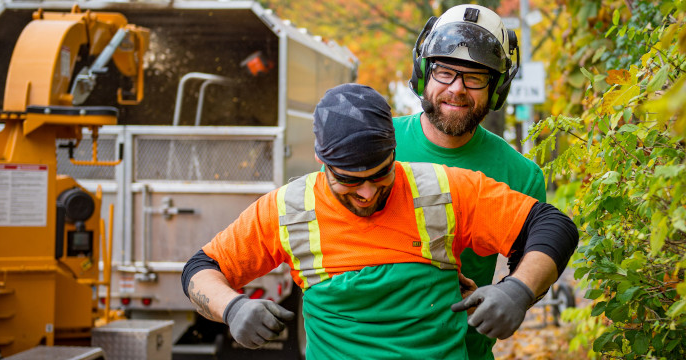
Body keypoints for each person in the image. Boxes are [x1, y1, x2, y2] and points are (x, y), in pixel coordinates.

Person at [181, 84, 578, 359]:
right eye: (349, 181)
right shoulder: (289, 209)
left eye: (380, 174)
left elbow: (552, 226)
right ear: (323, 164)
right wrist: (231, 309)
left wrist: (517, 291)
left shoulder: (443, 188)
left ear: (394, 150)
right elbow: (202, 269)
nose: (368, 193)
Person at [398, 4, 549, 358]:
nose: (457, 88)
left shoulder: (521, 174)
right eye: (445, 71)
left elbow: (536, 258)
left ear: (497, 88)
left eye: (475, 77)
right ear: (424, 72)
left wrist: (515, 290)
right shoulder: (378, 143)